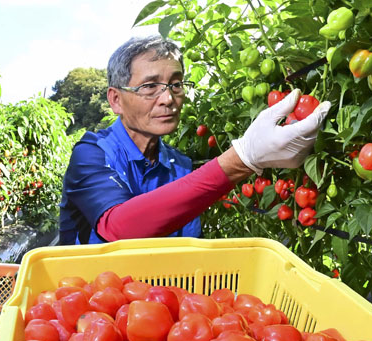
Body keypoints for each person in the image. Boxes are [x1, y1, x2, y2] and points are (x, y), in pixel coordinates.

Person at [58, 36, 331, 245]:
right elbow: (119, 226)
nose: (168, 98)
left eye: (176, 84)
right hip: (91, 304)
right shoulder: (92, 153)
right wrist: (243, 158)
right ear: (116, 99)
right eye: (150, 86)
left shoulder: (179, 164)